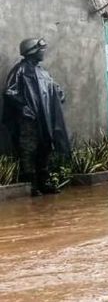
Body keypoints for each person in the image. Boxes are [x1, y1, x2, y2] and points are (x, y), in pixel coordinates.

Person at [2, 38, 70, 196]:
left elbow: (55, 88)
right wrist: (24, 107)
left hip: (44, 119)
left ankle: (44, 182)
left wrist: (59, 94)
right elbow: (10, 92)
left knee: (44, 148)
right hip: (28, 121)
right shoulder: (20, 70)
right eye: (41, 49)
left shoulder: (44, 72)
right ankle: (31, 184)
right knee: (28, 150)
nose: (43, 52)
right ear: (32, 51)